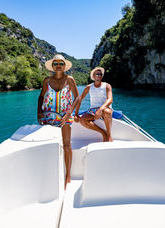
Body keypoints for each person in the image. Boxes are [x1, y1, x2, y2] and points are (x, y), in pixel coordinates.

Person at [37, 54, 79, 188]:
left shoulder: (69, 79)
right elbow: (41, 96)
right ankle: (50, 174)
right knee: (50, 144)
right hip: (48, 116)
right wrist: (39, 112)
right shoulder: (46, 80)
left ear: (65, 66)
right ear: (52, 66)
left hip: (65, 117)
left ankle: (68, 175)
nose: (58, 66)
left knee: (67, 145)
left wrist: (69, 113)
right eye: (56, 64)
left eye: (61, 63)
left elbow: (77, 98)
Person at [74, 67, 113, 142]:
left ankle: (108, 135)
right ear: (93, 76)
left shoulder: (107, 86)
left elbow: (110, 99)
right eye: (97, 74)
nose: (99, 76)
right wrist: (76, 114)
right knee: (82, 120)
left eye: (100, 74)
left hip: (105, 108)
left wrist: (101, 109)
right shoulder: (89, 87)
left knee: (107, 112)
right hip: (93, 110)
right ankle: (103, 133)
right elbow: (80, 99)